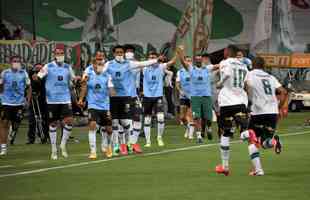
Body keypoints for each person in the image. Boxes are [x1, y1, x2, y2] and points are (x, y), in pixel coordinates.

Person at [105, 45, 163, 156]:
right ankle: (122, 145)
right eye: (123, 52)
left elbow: (143, 64)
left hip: (133, 97)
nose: (122, 54)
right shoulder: (112, 66)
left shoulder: (132, 65)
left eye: (125, 52)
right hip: (121, 97)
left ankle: (133, 143)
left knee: (137, 119)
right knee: (122, 122)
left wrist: (155, 60)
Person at [241, 57, 286, 176]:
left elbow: (245, 87)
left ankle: (258, 170)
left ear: (253, 65)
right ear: (263, 66)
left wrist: (249, 99)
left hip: (258, 112)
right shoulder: (270, 77)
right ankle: (274, 141)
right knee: (265, 143)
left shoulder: (250, 74)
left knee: (250, 139)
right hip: (272, 112)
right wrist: (279, 106)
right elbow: (283, 92)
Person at [33, 44, 78, 160]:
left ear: (64, 55)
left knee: (69, 121)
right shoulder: (48, 66)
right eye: (57, 54)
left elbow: (73, 80)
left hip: (65, 98)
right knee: (53, 124)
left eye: (61, 53)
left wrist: (76, 79)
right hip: (52, 99)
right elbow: (39, 77)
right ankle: (54, 149)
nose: (59, 55)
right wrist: (36, 77)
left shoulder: (68, 67)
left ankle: (63, 145)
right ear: (54, 55)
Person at [214, 45, 249, 176]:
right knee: (244, 131)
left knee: (226, 133)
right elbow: (247, 84)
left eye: (224, 50)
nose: (223, 52)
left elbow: (227, 74)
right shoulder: (243, 65)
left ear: (228, 52)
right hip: (240, 101)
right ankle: (259, 136)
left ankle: (225, 166)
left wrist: (220, 83)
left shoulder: (225, 62)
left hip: (227, 102)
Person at [178, 46, 216, 144]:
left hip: (206, 96)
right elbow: (183, 62)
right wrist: (181, 52)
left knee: (208, 117)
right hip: (195, 97)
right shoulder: (191, 69)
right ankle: (199, 136)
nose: (199, 60)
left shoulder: (207, 68)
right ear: (195, 61)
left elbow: (218, 65)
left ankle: (209, 128)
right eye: (197, 59)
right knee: (196, 117)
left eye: (200, 58)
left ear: (202, 60)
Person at [78, 59, 115, 159]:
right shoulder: (88, 76)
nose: (100, 66)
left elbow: (112, 91)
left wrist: (112, 91)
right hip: (93, 105)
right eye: (98, 64)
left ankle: (109, 147)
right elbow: (84, 88)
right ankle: (93, 152)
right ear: (93, 65)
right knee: (92, 125)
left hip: (105, 106)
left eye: (101, 64)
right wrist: (81, 99)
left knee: (109, 130)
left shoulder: (107, 76)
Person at [143, 51, 176, 147]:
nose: (152, 58)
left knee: (161, 118)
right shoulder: (145, 68)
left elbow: (172, 62)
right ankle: (148, 141)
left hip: (158, 96)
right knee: (147, 120)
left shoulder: (161, 67)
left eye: (154, 57)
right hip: (147, 97)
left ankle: (159, 137)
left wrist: (178, 53)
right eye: (150, 57)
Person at [0, 56, 31, 156]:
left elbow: (29, 87)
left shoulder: (23, 73)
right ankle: (3, 147)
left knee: (16, 123)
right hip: (6, 102)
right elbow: (0, 85)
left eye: (18, 61)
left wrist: (28, 100)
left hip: (19, 103)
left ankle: (12, 131)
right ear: (10, 62)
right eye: (14, 61)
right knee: (4, 123)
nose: (16, 63)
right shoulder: (5, 73)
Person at [27, 63, 49, 144]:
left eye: (40, 68)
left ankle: (45, 136)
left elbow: (42, 85)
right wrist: (28, 100)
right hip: (34, 100)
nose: (38, 69)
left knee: (45, 119)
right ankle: (31, 138)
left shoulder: (45, 75)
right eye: (36, 68)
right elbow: (30, 86)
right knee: (32, 120)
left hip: (44, 100)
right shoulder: (31, 74)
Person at [176, 56, 194, 140]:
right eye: (187, 61)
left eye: (190, 61)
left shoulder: (194, 70)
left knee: (190, 115)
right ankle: (188, 127)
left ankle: (190, 134)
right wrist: (180, 90)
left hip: (193, 96)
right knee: (182, 117)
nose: (188, 62)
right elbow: (177, 83)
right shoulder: (180, 72)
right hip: (183, 96)